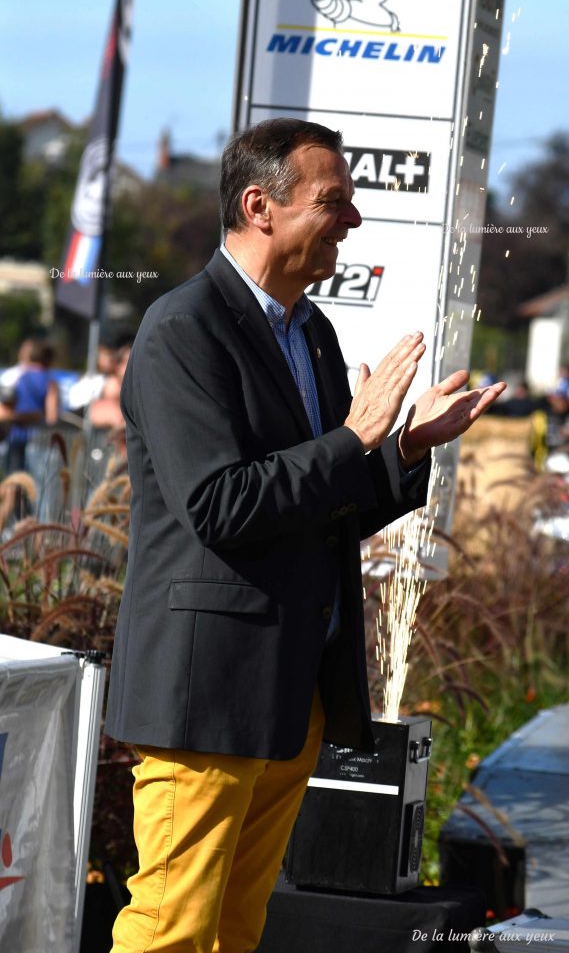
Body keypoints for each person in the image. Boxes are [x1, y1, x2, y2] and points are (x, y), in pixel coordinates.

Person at [105, 118, 505, 953]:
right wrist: (355, 437)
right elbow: (218, 505)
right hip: (205, 695)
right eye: (334, 202)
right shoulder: (182, 329)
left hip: (290, 693)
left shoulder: (310, 330)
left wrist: (399, 449)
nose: (352, 220)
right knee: (171, 929)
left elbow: (317, 507)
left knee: (235, 931)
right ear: (260, 207)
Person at [0, 339, 59, 473]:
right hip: (37, 438)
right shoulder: (50, 381)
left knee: (13, 481)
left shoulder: (18, 377)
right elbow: (52, 417)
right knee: (39, 486)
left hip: (15, 435)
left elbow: (6, 408)